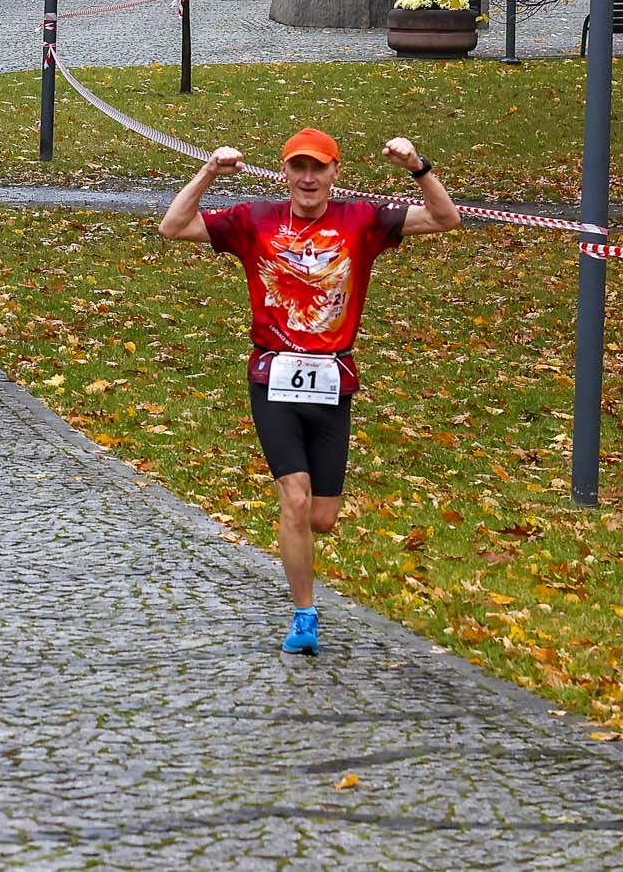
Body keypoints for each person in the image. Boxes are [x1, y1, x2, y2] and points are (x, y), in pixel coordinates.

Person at [157, 128, 461, 657]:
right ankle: (304, 613)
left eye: (318, 168)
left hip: (332, 380)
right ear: (285, 174)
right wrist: (209, 172)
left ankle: (302, 557)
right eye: (298, 167)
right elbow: (173, 226)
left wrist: (419, 166)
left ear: (334, 174)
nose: (308, 178)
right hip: (272, 378)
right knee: (294, 500)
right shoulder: (255, 220)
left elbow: (444, 218)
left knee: (322, 516)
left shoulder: (361, 221)